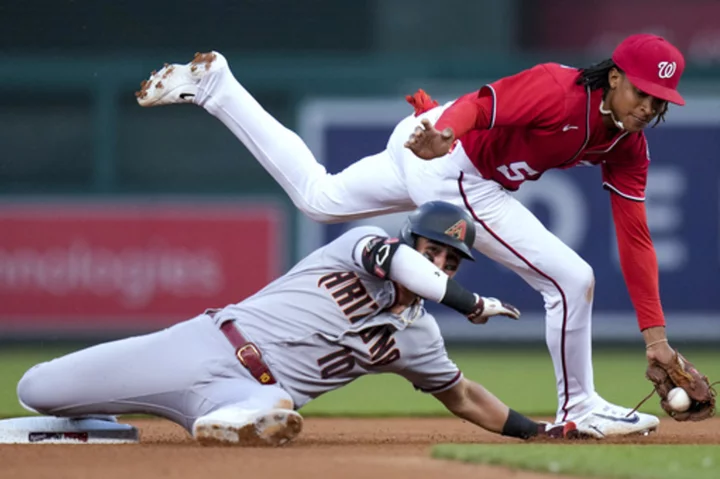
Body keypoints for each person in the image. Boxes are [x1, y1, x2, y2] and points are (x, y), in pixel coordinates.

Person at [132, 33, 700, 437]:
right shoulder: (560, 89)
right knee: (572, 279)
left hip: (433, 149)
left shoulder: (628, 146)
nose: (650, 107)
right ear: (616, 77)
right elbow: (481, 105)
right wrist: (446, 133)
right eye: (643, 93)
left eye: (660, 101)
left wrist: (656, 341)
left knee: (319, 197)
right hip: (453, 160)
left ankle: (217, 87)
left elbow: (636, 236)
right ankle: (581, 408)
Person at [2, 202, 579, 445]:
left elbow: (463, 396)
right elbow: (402, 265)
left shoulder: (419, 335)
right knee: (37, 389)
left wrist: (538, 432)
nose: (440, 265)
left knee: (277, 405)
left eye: (451, 261)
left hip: (252, 390)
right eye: (434, 252)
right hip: (204, 343)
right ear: (411, 242)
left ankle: (233, 423)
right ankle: (100, 423)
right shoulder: (363, 246)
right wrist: (471, 300)